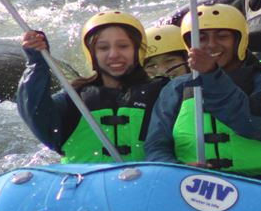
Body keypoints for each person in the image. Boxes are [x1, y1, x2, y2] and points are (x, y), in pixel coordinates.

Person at [144, 4, 261, 177]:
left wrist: (212, 75)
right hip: (199, 189)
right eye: (201, 38)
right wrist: (179, 171)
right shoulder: (176, 88)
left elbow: (259, 125)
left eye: (222, 36)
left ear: (239, 40)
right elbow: (156, 147)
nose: (211, 45)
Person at [17, 11, 168, 163]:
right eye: (103, 48)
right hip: (83, 184)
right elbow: (33, 110)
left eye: (123, 46)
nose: (114, 54)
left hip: (148, 184)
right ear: (91, 54)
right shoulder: (74, 100)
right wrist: (37, 63)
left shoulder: (164, 95)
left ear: (138, 50)